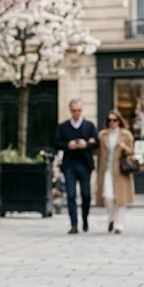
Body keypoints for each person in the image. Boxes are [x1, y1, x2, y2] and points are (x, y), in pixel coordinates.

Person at [54, 99, 98, 233]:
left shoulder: (89, 126)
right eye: (74, 110)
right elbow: (56, 143)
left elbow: (96, 143)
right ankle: (74, 224)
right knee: (71, 195)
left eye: (79, 110)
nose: (76, 113)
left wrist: (86, 144)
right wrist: (68, 145)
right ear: (70, 110)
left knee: (86, 195)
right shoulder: (63, 127)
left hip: (85, 165)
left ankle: (85, 218)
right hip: (69, 165)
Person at [95, 110, 135, 234]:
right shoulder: (102, 135)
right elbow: (96, 151)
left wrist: (125, 148)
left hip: (121, 171)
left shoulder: (126, 134)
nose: (112, 122)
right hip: (106, 170)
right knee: (108, 197)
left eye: (114, 120)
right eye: (109, 120)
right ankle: (111, 217)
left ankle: (119, 225)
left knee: (121, 199)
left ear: (119, 121)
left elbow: (131, 152)